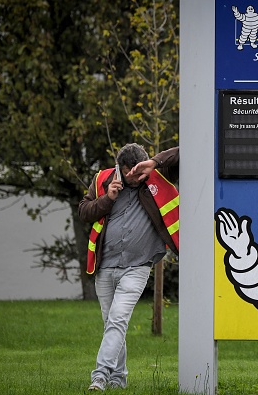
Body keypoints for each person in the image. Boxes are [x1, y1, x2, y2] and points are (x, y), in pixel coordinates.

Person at [78, 143, 179, 391]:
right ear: (119, 168)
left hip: (138, 266)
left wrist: (154, 162)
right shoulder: (103, 179)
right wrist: (106, 199)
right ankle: (119, 378)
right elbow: (84, 212)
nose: (133, 177)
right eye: (128, 172)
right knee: (111, 323)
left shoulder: (160, 176)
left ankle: (99, 376)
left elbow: (188, 150)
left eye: (137, 172)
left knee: (118, 319)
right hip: (105, 267)